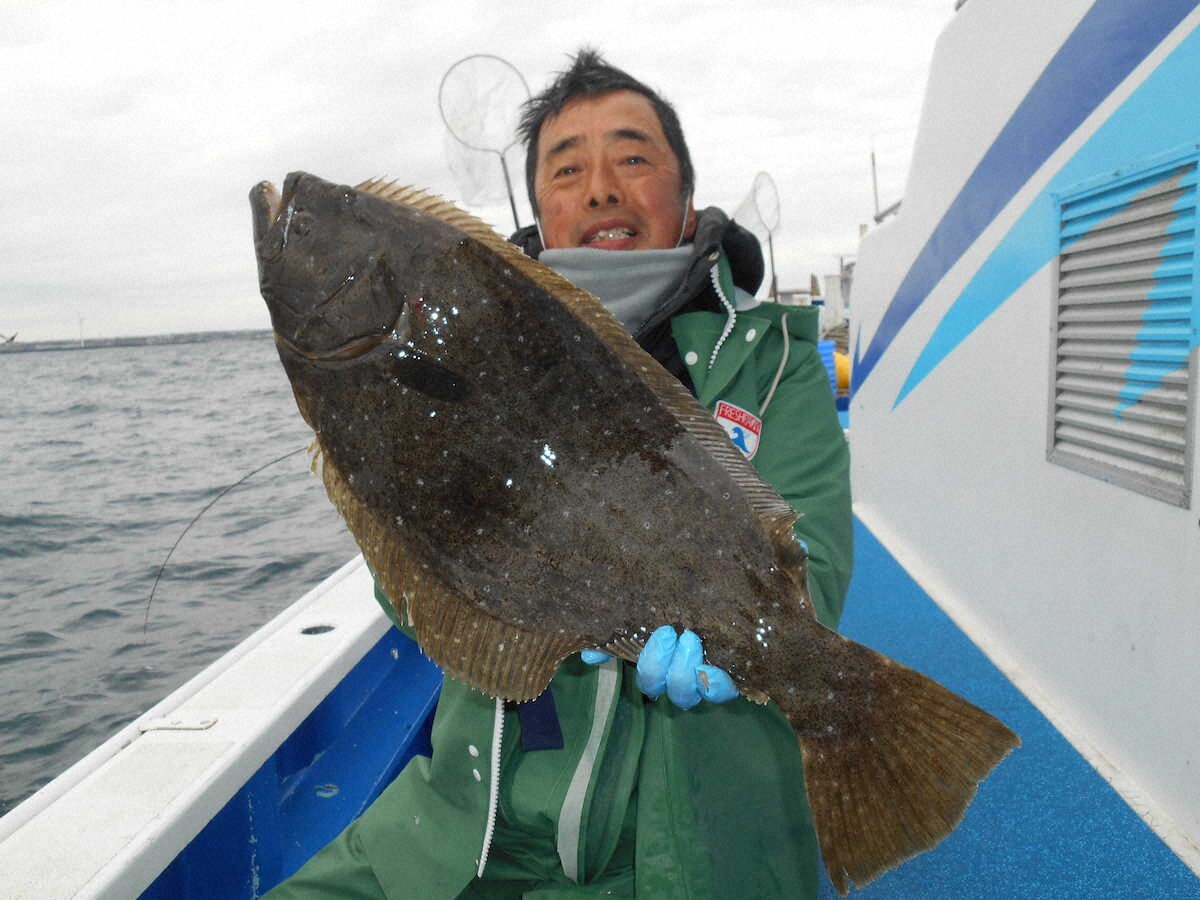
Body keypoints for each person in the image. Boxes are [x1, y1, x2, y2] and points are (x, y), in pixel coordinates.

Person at [266, 49, 852, 900]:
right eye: (568, 168)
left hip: (692, 850)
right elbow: (414, 603)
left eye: (635, 158)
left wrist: (754, 636)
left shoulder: (774, 362)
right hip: (475, 827)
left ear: (687, 202)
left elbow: (818, 579)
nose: (603, 188)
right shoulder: (454, 351)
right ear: (539, 210)